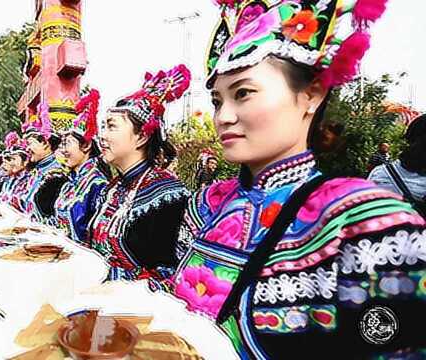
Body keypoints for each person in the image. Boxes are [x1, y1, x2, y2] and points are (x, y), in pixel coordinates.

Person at [173, 1, 426, 358]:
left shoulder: (364, 221)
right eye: (217, 101)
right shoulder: (207, 204)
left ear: (311, 96)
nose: (223, 116)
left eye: (243, 93)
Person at [88, 65, 191, 283]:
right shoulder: (113, 189)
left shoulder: (169, 194)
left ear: (142, 136)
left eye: (111, 127)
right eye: (103, 127)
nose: (102, 136)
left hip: (137, 310)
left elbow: (177, 273)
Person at [55, 90, 110, 244]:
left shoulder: (98, 185)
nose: (63, 151)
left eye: (68, 144)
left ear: (86, 146)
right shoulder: (69, 184)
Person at [20, 105, 68, 222]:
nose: (27, 149)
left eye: (30, 143)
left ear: (45, 143)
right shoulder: (37, 171)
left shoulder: (56, 175)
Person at [0, 132, 30, 210]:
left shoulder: (30, 181)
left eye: (13, 159)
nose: (5, 165)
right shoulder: (9, 180)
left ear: (26, 160)